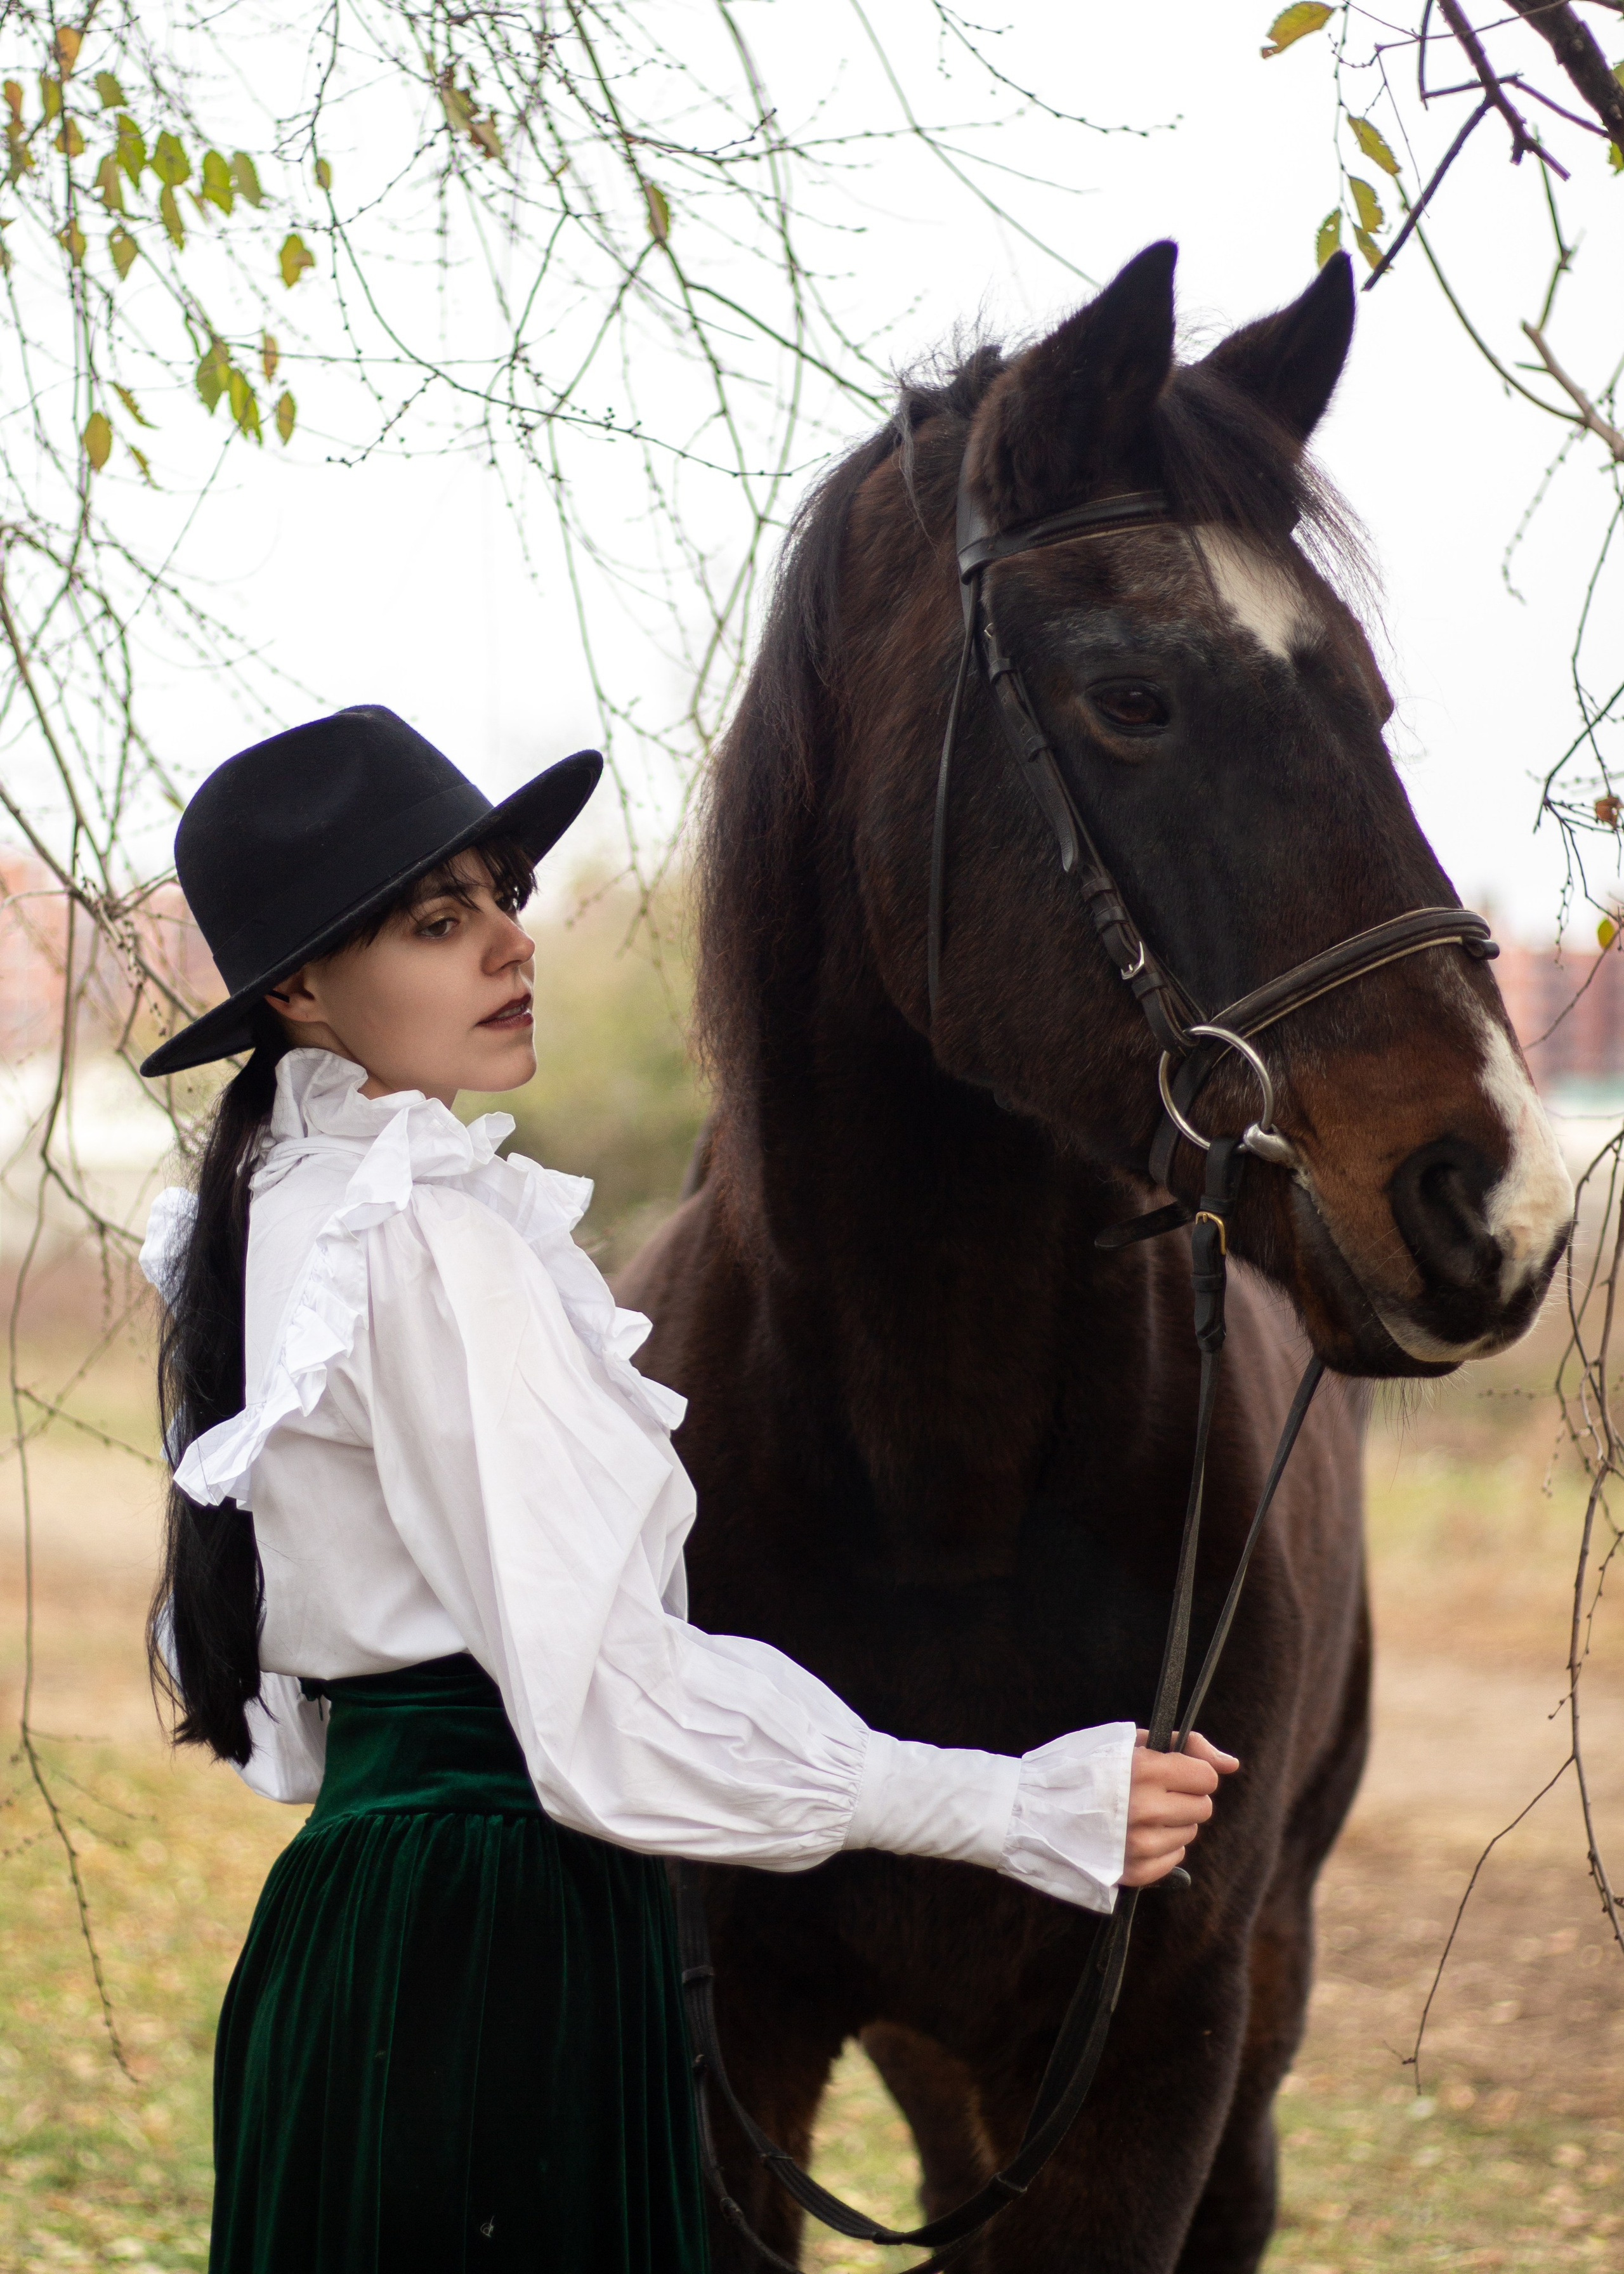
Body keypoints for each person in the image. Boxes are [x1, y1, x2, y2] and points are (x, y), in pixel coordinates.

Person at [139, 705, 1236, 2274]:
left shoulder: (266, 1221)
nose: (509, 943)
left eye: (502, 894)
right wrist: (1012, 1802)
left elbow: (291, 1713)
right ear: (299, 990)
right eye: (439, 921)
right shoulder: (420, 1234)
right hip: (500, 1939)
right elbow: (608, 1714)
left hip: (355, 1920)